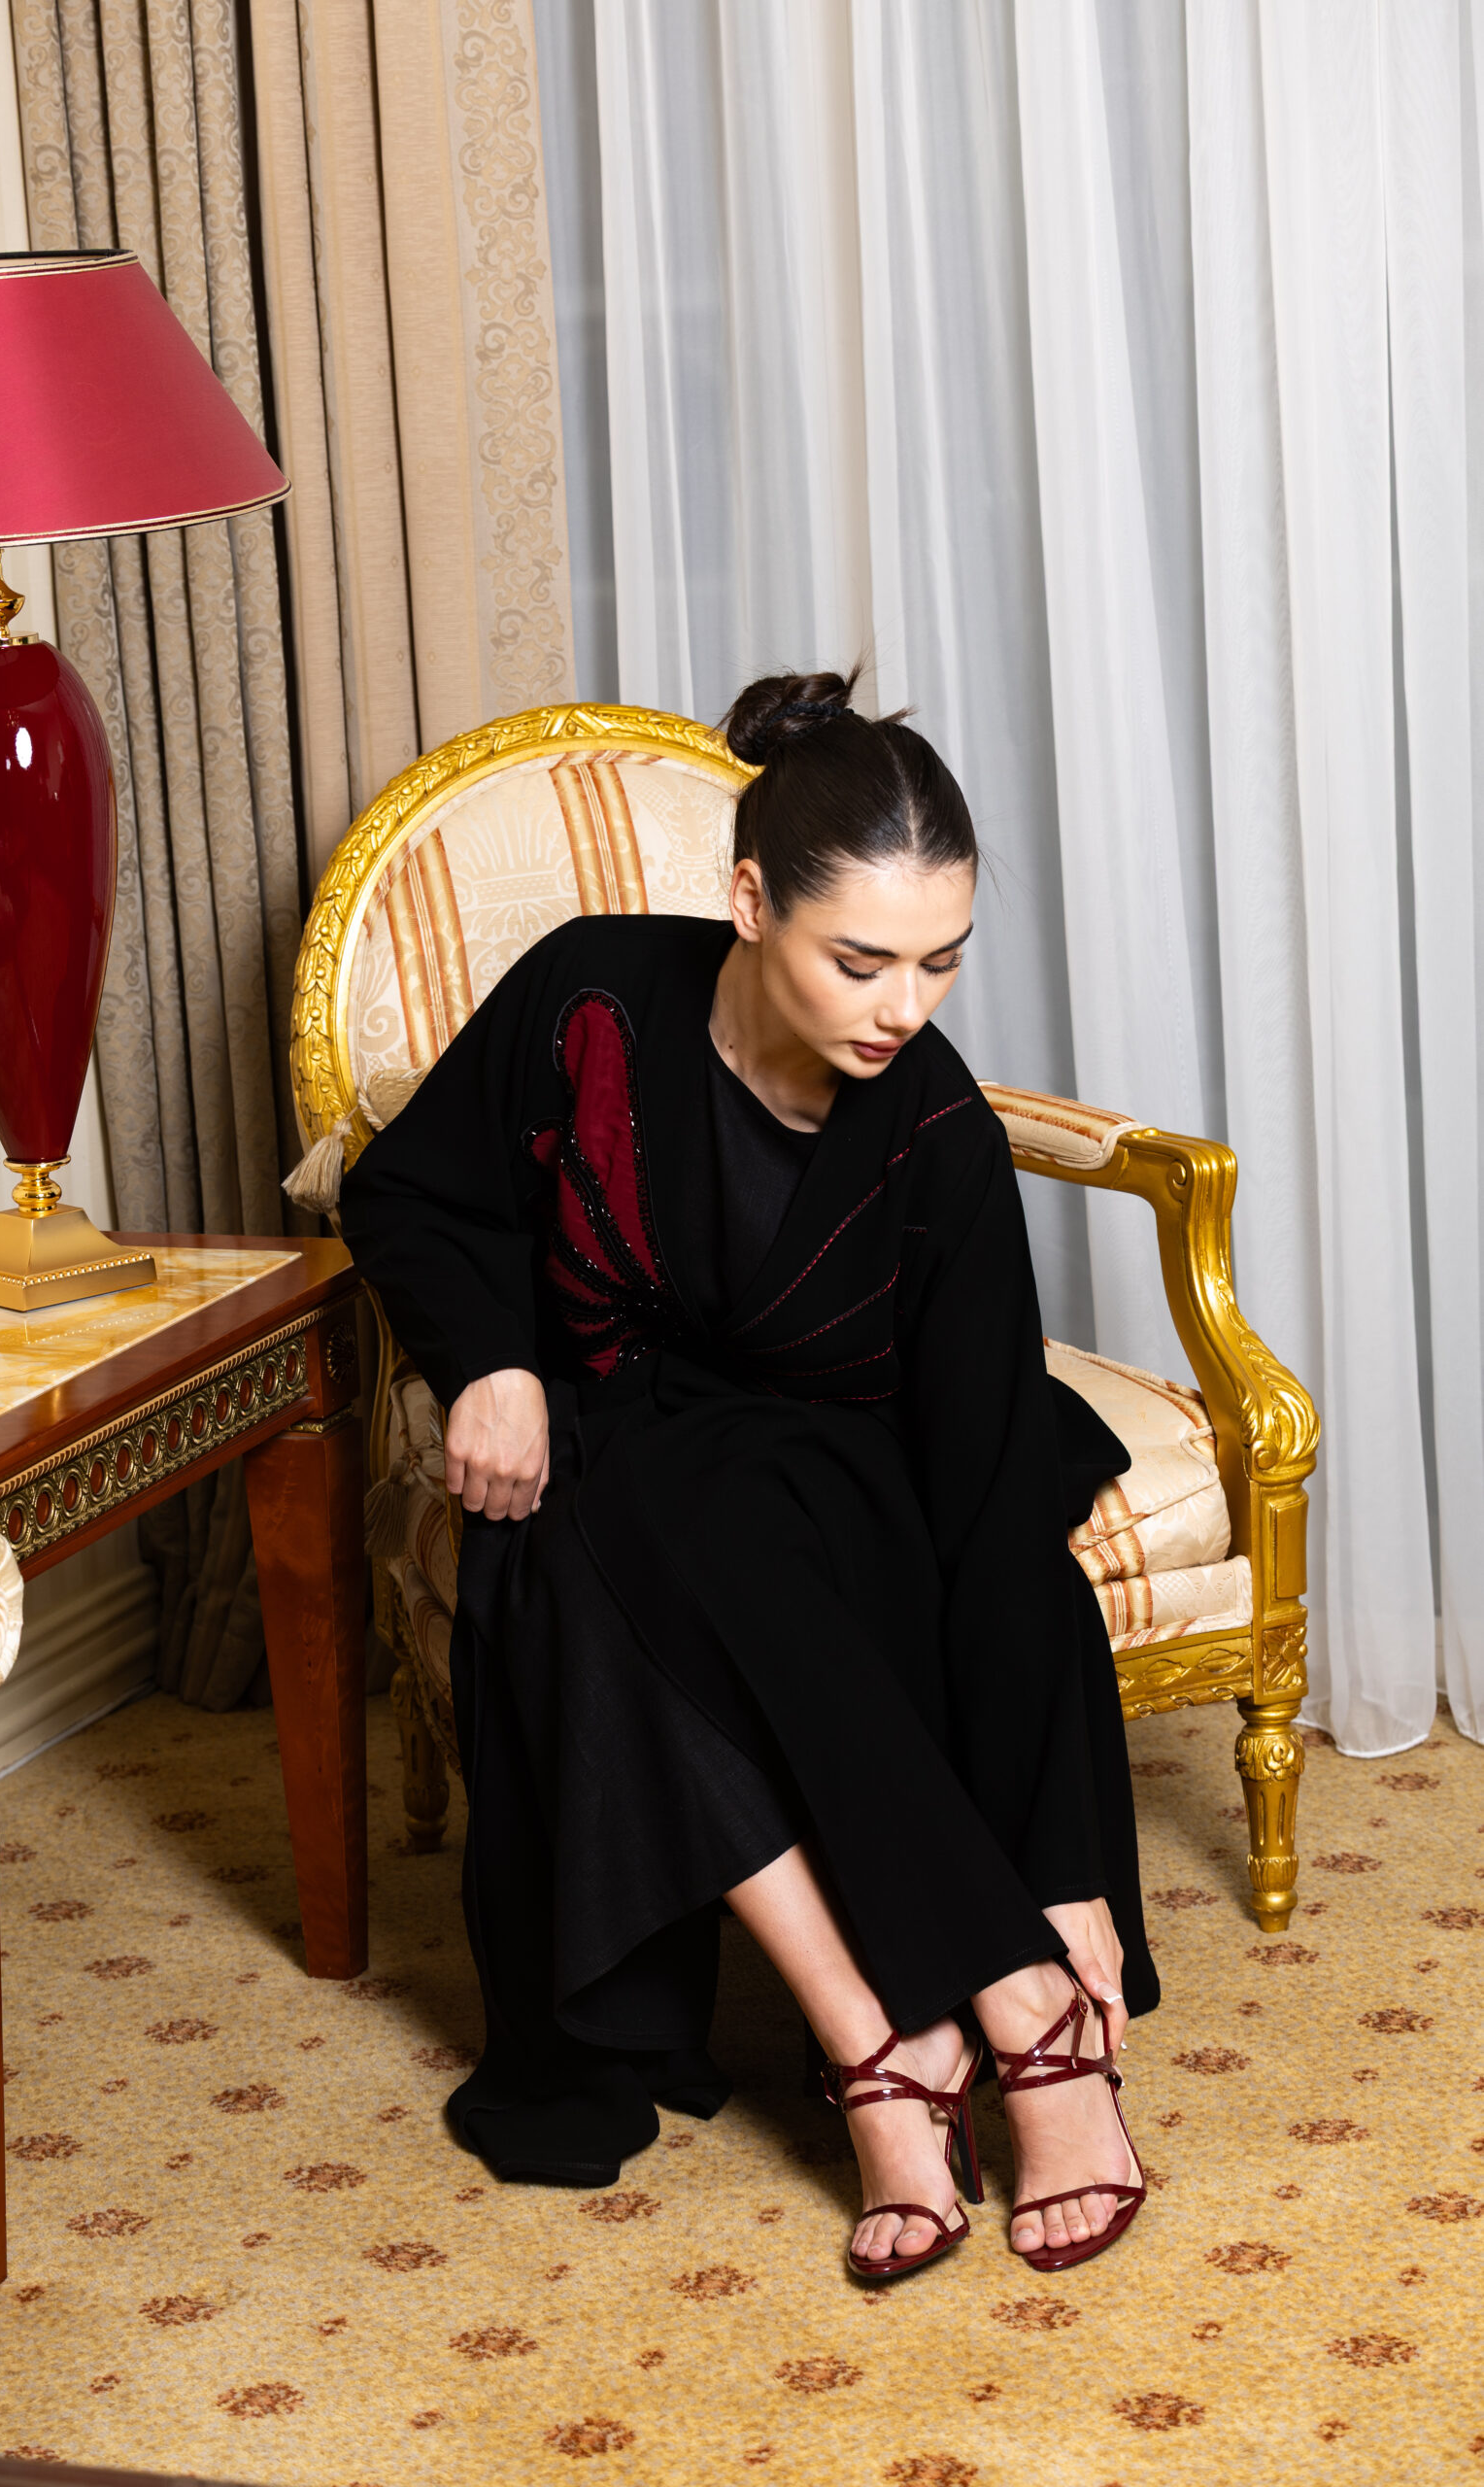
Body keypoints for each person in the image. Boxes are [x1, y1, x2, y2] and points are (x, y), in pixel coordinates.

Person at [341, 668, 1157, 2285]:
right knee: (581, 1524)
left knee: (648, 1508)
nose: (903, 1009)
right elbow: (407, 1193)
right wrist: (491, 1361)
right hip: (604, 1472)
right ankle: (898, 2029)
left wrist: (1060, 1864)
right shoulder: (587, 998)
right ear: (747, 903)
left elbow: (993, 1506)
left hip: (843, 1508)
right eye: (860, 960)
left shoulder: (935, 1134)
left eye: (940, 962)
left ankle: (963, 2006)